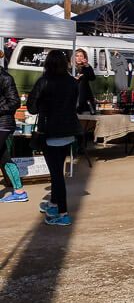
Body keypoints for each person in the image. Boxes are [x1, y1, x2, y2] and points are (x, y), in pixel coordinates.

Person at [27, 51, 81, 225]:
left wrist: (43, 103)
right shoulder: (73, 82)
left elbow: (32, 108)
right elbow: (74, 105)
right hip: (68, 131)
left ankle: (63, 212)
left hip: (50, 132)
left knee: (56, 175)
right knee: (58, 172)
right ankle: (54, 203)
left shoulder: (44, 82)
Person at [0, 50, 27, 204]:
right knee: (4, 158)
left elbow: (15, 102)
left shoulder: (5, 77)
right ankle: (19, 191)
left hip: (3, 123)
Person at [73, 48, 97, 114]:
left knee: (83, 82)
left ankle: (81, 106)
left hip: (85, 96)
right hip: (73, 96)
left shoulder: (86, 67)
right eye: (77, 56)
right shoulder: (71, 67)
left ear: (84, 57)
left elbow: (92, 78)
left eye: (81, 56)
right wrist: (74, 79)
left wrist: (86, 65)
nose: (79, 58)